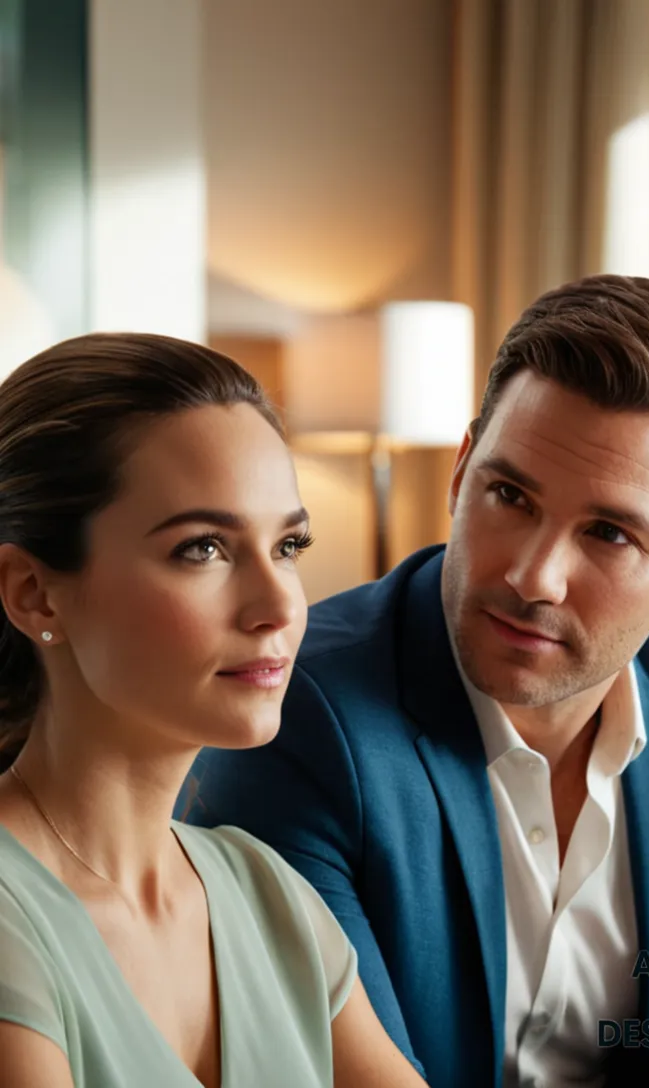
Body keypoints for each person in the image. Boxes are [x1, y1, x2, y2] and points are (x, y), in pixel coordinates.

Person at [183, 275, 649, 1088]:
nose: (533, 575)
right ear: (461, 473)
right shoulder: (297, 712)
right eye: (510, 495)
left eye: (608, 532)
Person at [0, 333, 430, 1088]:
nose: (279, 606)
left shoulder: (269, 894)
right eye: (203, 549)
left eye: (289, 544)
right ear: (33, 591)